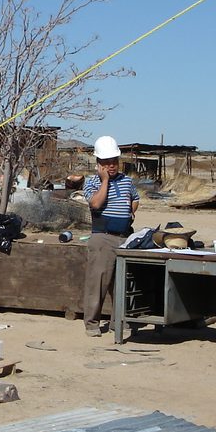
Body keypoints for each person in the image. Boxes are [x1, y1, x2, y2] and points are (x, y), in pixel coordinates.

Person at [82, 136, 138, 337]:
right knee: (98, 282)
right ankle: (92, 323)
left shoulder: (127, 181)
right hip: (103, 238)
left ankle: (119, 321)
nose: (111, 166)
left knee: (121, 283)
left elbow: (135, 198)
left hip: (124, 237)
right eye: (106, 163)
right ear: (98, 164)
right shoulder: (92, 182)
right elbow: (95, 204)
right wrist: (105, 181)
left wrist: (130, 211)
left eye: (113, 162)